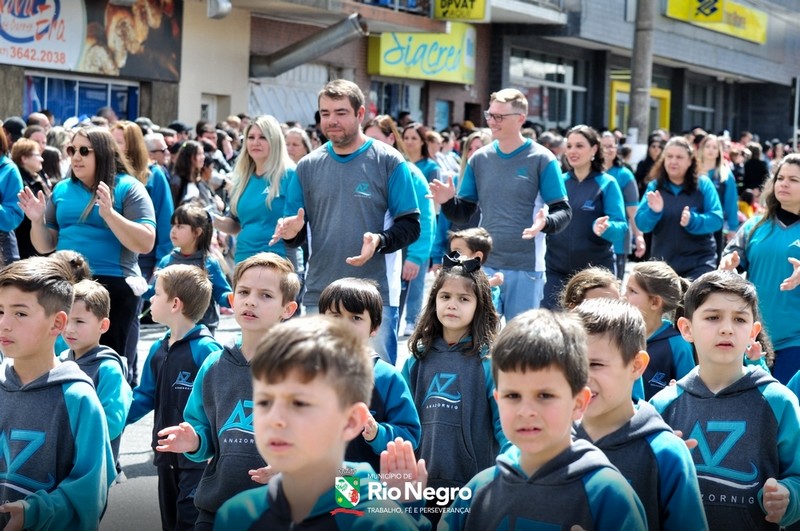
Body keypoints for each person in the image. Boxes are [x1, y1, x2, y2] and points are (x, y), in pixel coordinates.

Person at [438, 309, 647, 530]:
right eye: (513, 396)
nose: (526, 411)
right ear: (498, 401)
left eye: (545, 396)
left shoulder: (608, 496)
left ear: (578, 403)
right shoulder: (478, 490)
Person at [213, 317, 429, 530]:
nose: (275, 418)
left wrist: (407, 511)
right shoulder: (237, 515)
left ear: (351, 421)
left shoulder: (379, 522)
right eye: (264, 402)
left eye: (299, 403)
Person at [272, 79, 420, 365]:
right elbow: (297, 232)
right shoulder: (307, 166)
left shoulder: (388, 160)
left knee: (376, 381)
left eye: (340, 113)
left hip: (373, 295)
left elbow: (411, 226)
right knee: (319, 378)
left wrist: (380, 241)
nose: (332, 121)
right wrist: (291, 232)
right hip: (320, 293)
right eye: (325, 113)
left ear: (360, 114)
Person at [155, 253, 299, 530]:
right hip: (216, 509)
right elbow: (204, 432)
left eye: (266, 295)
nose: (251, 301)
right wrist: (195, 441)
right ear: (232, 300)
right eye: (244, 292)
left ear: (288, 309)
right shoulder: (214, 365)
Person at [651, 270, 800, 530]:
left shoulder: (779, 402)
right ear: (686, 329)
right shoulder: (662, 405)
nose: (727, 329)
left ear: (753, 332)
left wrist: (790, 497)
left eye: (739, 319)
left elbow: (797, 475)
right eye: (713, 317)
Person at [429, 88, 572, 320]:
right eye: (490, 115)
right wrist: (447, 202)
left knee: (519, 338)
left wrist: (545, 223)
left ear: (520, 118)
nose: (492, 122)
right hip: (485, 263)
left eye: (499, 116)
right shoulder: (479, 159)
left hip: (526, 266)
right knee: (482, 335)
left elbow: (563, 211)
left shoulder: (542, 158)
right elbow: (463, 213)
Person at [18, 127, 156, 364]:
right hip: (64, 282)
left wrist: (110, 215)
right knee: (60, 360)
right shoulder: (62, 188)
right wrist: (37, 221)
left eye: (84, 151)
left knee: (106, 363)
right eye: (71, 150)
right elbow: (45, 245)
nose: (76, 157)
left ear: (103, 153)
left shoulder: (128, 187)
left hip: (112, 283)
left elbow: (146, 242)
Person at [0, 257, 114, 530]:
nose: (4, 323)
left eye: (20, 313)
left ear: (57, 323)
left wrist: (35, 512)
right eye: (0, 311)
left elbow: (90, 491)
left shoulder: (78, 398)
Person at [574, 298, 708, 531]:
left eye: (595, 364)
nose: (581, 377)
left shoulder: (666, 454)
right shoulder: (545, 441)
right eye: (572, 363)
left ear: (636, 365)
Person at [402, 252, 506, 524]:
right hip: (421, 483)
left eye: (463, 299)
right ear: (434, 300)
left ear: (480, 305)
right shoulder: (417, 358)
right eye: (445, 296)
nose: (452, 305)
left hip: (472, 486)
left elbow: (505, 424)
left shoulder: (488, 361)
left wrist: (511, 469)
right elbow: (401, 420)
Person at [126, 264, 222, 531]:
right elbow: (144, 396)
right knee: (169, 523)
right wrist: (108, 420)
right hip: (165, 456)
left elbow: (221, 403)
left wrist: (216, 449)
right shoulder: (158, 348)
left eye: (157, 294)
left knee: (190, 522)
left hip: (197, 459)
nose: (151, 299)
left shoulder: (207, 350)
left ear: (175, 304)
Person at [318, 277, 421, 472]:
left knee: (347, 492)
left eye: (356, 318)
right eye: (336, 316)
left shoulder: (387, 377)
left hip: (363, 479)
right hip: (315, 480)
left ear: (374, 327)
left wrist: (378, 434)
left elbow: (410, 435)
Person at [721, 154, 800, 383]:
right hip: (753, 338)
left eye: (794, 180)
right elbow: (730, 259)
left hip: (795, 340)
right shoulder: (754, 226)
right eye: (780, 178)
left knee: (786, 403)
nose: (784, 184)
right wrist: (728, 265)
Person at [113, 119, 175, 384]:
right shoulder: (106, 175)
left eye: (119, 141)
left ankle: (129, 377)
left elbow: (165, 217)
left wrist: (163, 260)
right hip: (118, 253)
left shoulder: (152, 174)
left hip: (145, 258)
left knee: (131, 320)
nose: (114, 146)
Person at [362, 115, 434, 338]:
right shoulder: (362, 170)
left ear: (391, 139)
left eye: (375, 139)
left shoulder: (409, 173)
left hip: (398, 257)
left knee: (384, 325)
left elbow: (425, 219)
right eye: (366, 138)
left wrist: (415, 257)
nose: (370, 144)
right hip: (366, 258)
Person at [542, 125, 627, 309]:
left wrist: (606, 228)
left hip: (594, 276)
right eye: (569, 146)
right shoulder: (559, 182)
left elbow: (621, 227)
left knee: (593, 326)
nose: (572, 151)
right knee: (549, 322)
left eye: (579, 146)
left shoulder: (607, 183)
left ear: (594, 149)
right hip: (556, 270)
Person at [59, 278, 132, 466]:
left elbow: (112, 423)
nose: (69, 329)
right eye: (66, 320)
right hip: (59, 464)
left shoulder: (108, 369)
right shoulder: (59, 362)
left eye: (79, 321)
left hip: (92, 467)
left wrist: (69, 434)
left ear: (103, 325)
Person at [635, 137, 723, 279]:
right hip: (663, 267)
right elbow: (641, 224)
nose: (673, 161)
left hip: (699, 264)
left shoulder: (703, 184)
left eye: (679, 157)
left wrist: (693, 220)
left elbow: (717, 219)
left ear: (690, 161)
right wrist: (653, 212)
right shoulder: (655, 187)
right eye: (669, 156)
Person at [214, 115, 296, 264]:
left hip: (278, 260)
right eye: (251, 137)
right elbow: (235, 224)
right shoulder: (241, 178)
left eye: (263, 137)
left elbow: (299, 222)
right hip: (244, 259)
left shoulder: (289, 174)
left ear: (275, 141)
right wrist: (209, 219)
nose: (255, 142)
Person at [146, 203, 233, 335]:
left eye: (180, 226)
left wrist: (230, 298)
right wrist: (141, 289)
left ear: (197, 232)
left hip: (203, 329)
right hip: (173, 328)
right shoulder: (167, 261)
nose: (173, 230)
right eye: (173, 225)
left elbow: (221, 293)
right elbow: (155, 292)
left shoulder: (209, 263)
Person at [624, 261, 696, 400]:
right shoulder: (619, 336)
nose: (624, 296)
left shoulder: (678, 345)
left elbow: (689, 398)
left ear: (655, 302)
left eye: (632, 291)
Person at [430, 129, 491, 267]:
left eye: (478, 148)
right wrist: (437, 257)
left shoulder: (495, 184)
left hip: (487, 255)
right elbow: (444, 224)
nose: (472, 153)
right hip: (456, 254)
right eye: (469, 148)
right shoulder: (455, 181)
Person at [601, 131, 645, 276]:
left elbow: (633, 210)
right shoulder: (589, 173)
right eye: (603, 146)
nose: (607, 150)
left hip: (618, 242)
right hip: (592, 241)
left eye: (611, 146)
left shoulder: (625, 175)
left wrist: (639, 236)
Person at [697, 134, 739, 262]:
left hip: (715, 226)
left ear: (719, 152)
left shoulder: (725, 175)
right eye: (708, 146)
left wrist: (732, 228)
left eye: (714, 147)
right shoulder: (692, 172)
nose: (711, 150)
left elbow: (731, 203)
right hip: (692, 222)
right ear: (702, 149)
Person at [10, 138, 50, 260]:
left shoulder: (38, 176)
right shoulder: (19, 182)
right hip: (28, 248)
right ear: (24, 158)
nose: (42, 159)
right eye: (37, 155)